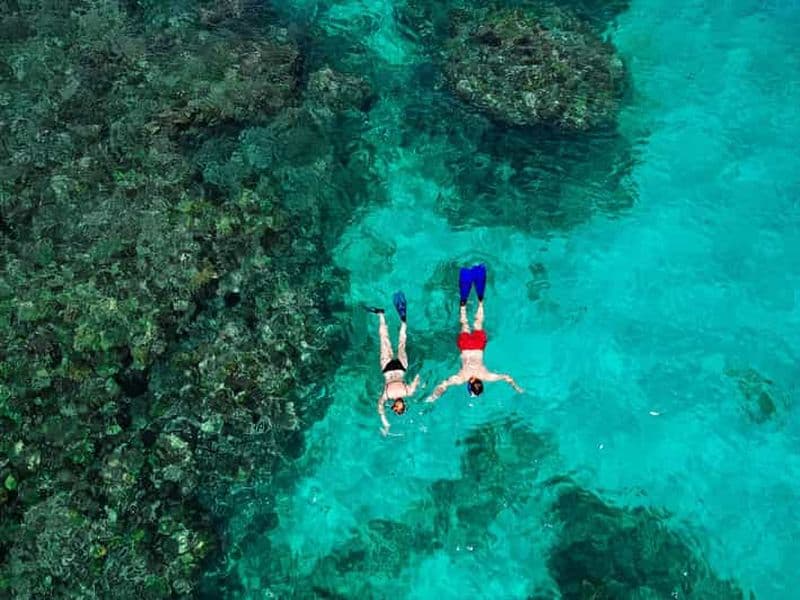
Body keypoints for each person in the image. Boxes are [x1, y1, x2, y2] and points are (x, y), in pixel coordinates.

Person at [426, 264, 523, 403]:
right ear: (469, 385)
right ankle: (463, 305)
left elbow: (507, 377)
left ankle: (480, 302)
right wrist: (433, 397)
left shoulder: (486, 376)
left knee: (478, 323)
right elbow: (443, 385)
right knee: (464, 323)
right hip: (465, 346)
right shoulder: (462, 377)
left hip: (478, 346)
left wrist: (516, 387)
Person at [365, 291, 420, 435]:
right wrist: (385, 423)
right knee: (388, 340)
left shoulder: (404, 393)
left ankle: (387, 317)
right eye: (399, 409)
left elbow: (380, 407)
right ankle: (385, 316)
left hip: (397, 368)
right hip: (393, 369)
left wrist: (385, 423)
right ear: (402, 406)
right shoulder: (397, 394)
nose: (397, 408)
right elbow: (380, 407)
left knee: (398, 342)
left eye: (396, 410)